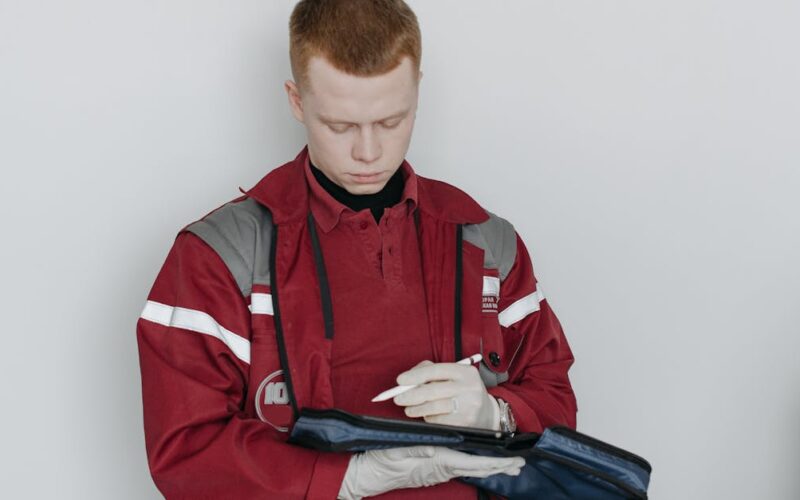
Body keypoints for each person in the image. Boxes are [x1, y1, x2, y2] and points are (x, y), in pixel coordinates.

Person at [135, 0, 578, 498]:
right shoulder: (216, 257)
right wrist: (342, 481)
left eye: (391, 122)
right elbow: (184, 452)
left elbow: (557, 400)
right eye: (340, 126)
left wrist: (496, 415)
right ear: (297, 101)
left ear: (417, 92)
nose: (368, 153)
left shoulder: (487, 240)